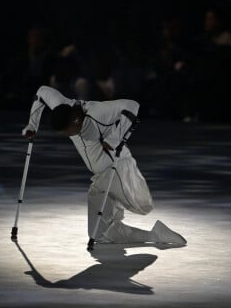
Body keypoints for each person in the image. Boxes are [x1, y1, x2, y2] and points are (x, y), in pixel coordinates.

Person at [21, 85, 186, 245]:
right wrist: (32, 125)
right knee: (99, 234)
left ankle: (152, 233)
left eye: (67, 130)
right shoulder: (62, 107)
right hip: (101, 178)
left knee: (142, 206)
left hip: (118, 169)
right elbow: (42, 92)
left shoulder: (98, 112)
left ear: (76, 119)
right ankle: (156, 234)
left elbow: (132, 105)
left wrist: (114, 138)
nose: (66, 134)